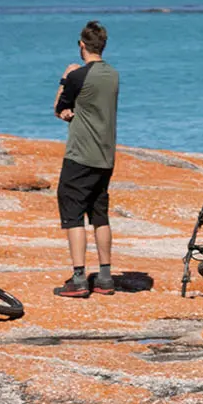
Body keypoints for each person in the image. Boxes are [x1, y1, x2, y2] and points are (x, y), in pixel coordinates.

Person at [52, 21, 121, 297]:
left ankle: (79, 278)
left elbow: (59, 108)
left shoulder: (78, 76)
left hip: (81, 154)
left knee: (73, 214)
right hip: (105, 155)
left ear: (82, 45)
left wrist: (65, 78)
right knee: (99, 214)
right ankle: (105, 276)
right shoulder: (113, 74)